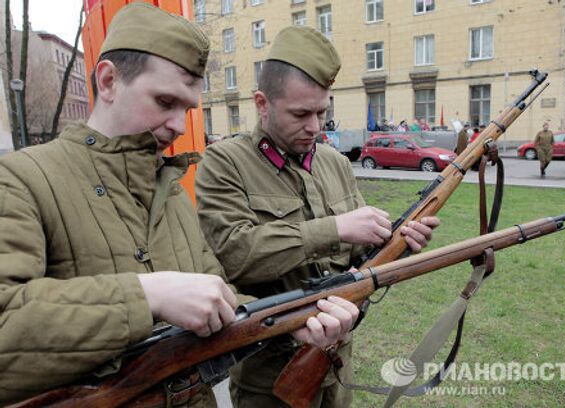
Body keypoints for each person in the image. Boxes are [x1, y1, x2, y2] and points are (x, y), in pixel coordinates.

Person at [0, 5, 356, 406]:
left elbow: (221, 299)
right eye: (164, 101)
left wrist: (291, 322)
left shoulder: (170, 190)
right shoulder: (20, 179)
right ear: (109, 80)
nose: (178, 125)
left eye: (186, 108)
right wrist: (146, 294)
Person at [195, 26, 440, 408]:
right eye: (300, 113)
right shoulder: (225, 163)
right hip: (270, 377)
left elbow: (360, 261)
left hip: (337, 366)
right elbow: (232, 253)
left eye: (322, 112)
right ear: (262, 103)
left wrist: (398, 244)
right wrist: (336, 228)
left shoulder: (334, 162)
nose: (314, 127)